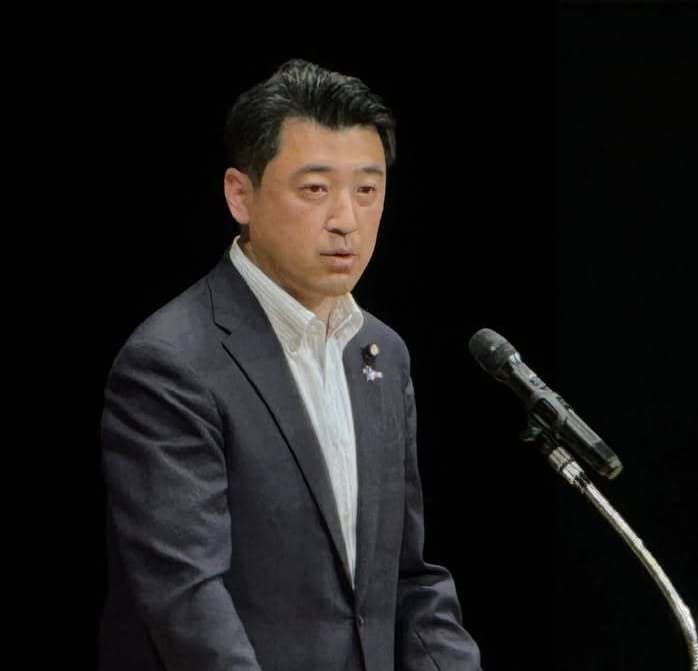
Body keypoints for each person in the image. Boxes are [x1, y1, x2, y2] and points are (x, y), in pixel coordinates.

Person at [98, 58, 482, 670]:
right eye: (315, 189)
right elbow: (186, 602)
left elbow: (406, 578)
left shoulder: (380, 352)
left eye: (367, 190)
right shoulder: (171, 362)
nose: (346, 220)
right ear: (240, 195)